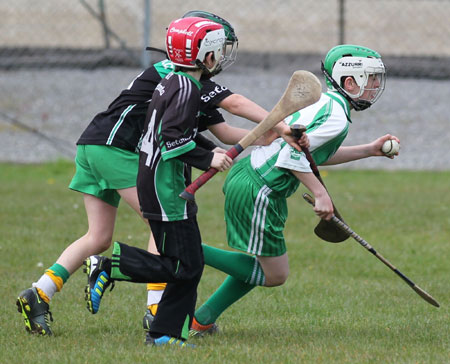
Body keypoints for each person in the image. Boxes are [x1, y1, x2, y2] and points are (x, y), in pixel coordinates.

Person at [15, 10, 294, 337]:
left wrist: (269, 135)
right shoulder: (177, 75)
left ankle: (39, 293)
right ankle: (155, 309)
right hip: (116, 149)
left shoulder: (190, 83)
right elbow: (235, 103)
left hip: (94, 146)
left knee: (99, 236)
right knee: (159, 222)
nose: (221, 56)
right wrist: (280, 122)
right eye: (219, 47)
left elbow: (224, 130)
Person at [184, 44, 400, 337]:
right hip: (260, 187)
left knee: (264, 266)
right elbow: (291, 155)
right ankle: (179, 247)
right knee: (274, 274)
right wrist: (320, 193)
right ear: (350, 82)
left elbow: (316, 155)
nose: (376, 86)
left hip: (253, 180)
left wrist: (369, 150)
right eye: (371, 78)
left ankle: (201, 320)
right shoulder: (335, 116)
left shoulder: (328, 104)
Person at [81, 16, 233, 348]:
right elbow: (171, 140)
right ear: (207, 57)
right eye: (218, 51)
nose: (220, 57)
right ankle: (110, 266)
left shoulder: (172, 82)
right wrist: (209, 159)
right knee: (183, 264)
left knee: (189, 265)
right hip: (166, 189)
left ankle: (163, 334)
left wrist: (212, 148)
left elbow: (178, 133)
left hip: (160, 184)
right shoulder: (186, 89)